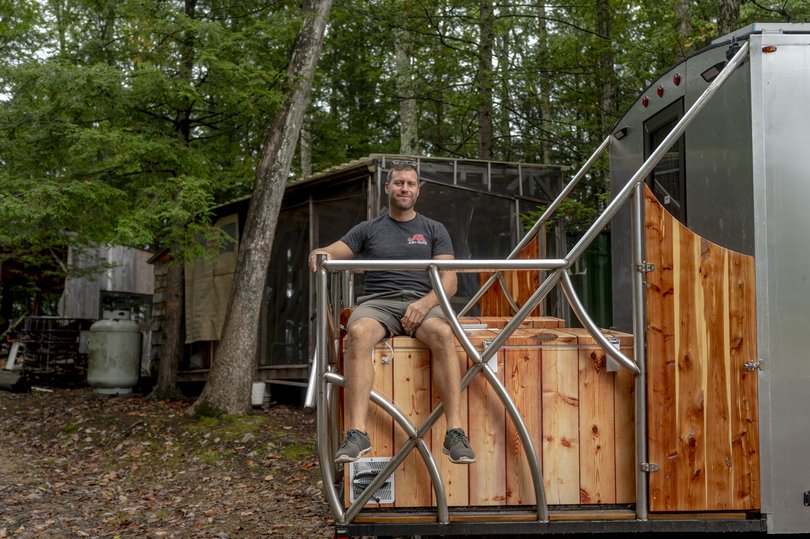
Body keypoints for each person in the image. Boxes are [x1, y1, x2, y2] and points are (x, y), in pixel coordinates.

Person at [308, 161, 475, 465]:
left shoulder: (433, 229)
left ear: (418, 190)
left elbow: (449, 282)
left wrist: (424, 304)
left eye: (410, 184)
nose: (404, 189)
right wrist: (319, 253)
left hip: (422, 302)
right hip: (378, 302)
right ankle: (357, 433)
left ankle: (455, 432)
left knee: (443, 333)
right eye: (398, 183)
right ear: (387, 188)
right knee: (357, 333)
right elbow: (332, 251)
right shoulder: (368, 229)